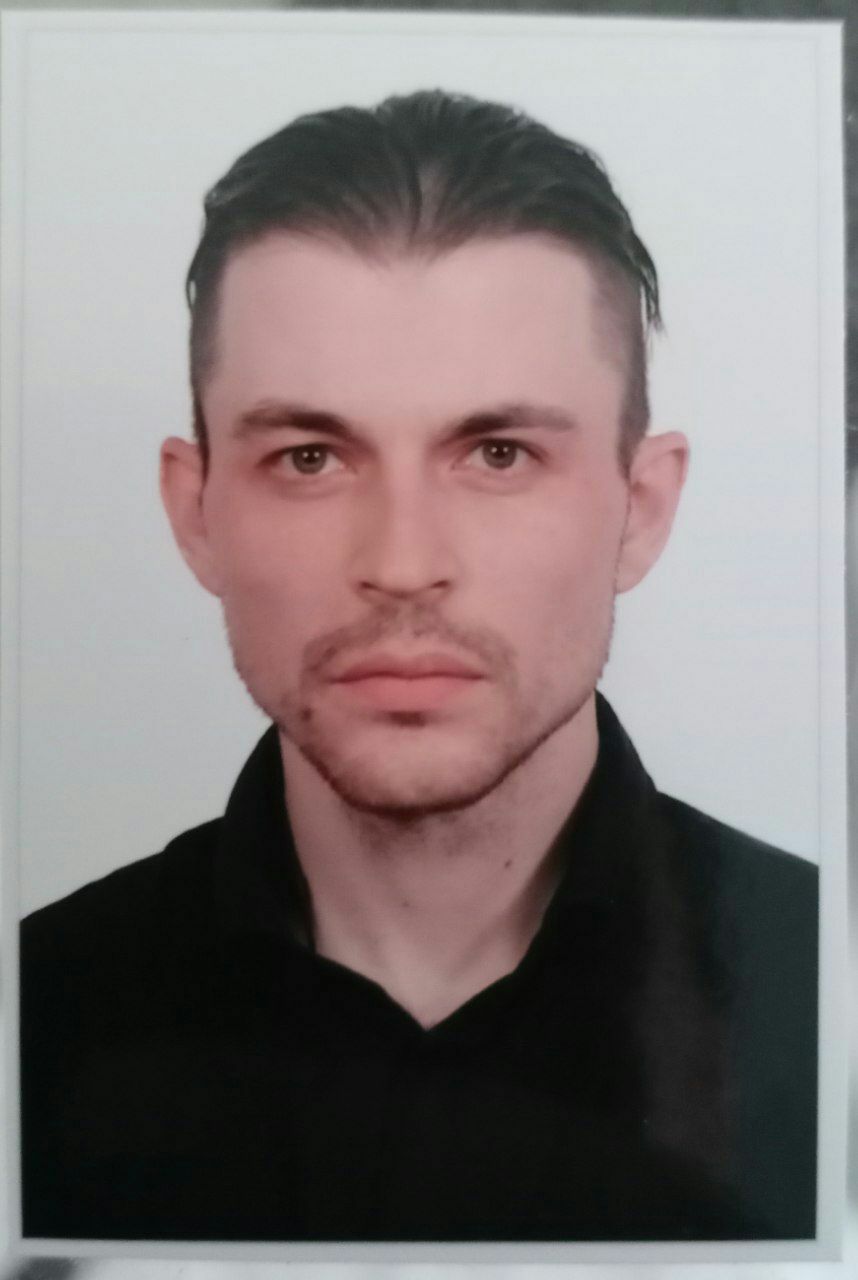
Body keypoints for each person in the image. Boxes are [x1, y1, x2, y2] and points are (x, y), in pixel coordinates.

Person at [20, 89, 817, 1243]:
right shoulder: (33, 1018)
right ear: (197, 512)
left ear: (641, 509)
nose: (401, 564)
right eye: (310, 457)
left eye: (498, 453)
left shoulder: (831, 1000)